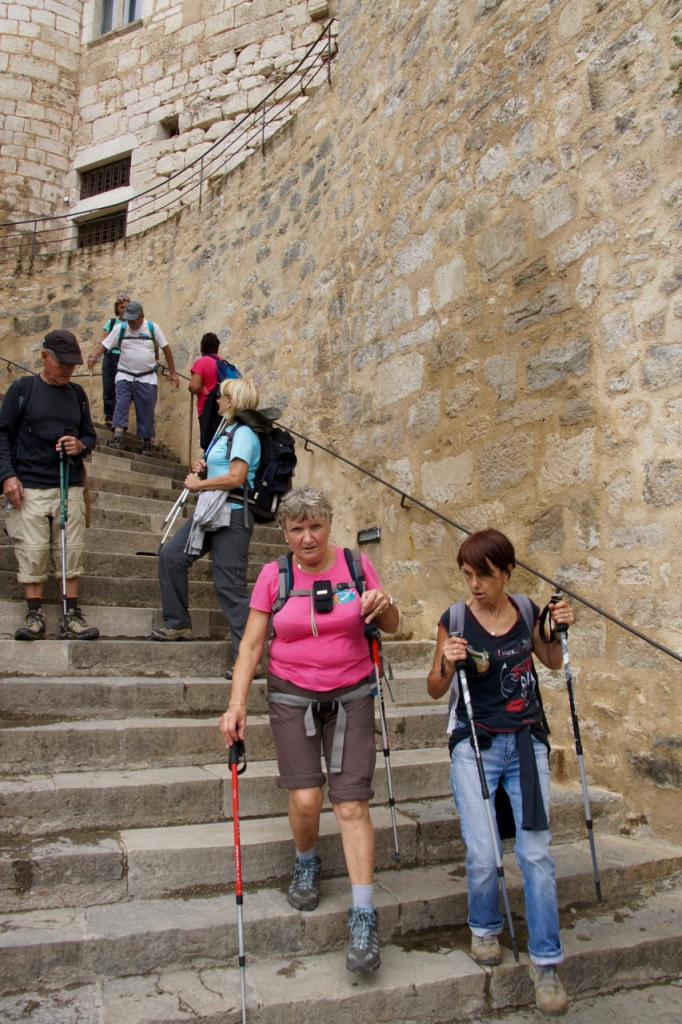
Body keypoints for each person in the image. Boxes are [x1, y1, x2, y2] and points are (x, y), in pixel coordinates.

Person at [219, 488, 400, 976]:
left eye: (315, 526)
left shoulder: (357, 567)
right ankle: (306, 859)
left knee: (351, 803)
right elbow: (252, 645)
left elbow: (394, 625)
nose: (307, 537)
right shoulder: (272, 577)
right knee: (304, 801)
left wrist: (382, 605)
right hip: (292, 695)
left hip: (352, 695)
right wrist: (237, 705)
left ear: (329, 524)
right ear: (284, 533)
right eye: (296, 529)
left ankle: (364, 915)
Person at [427, 529, 574, 1016]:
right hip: (476, 745)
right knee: (485, 850)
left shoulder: (526, 610)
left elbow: (550, 662)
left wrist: (558, 629)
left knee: (536, 854)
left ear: (507, 572)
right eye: (467, 575)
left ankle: (546, 963)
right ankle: (485, 926)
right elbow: (433, 688)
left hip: (526, 742)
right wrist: (446, 665)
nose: (474, 585)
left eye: (483, 575)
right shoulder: (454, 620)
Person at [152, 378, 261, 664]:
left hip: (234, 513)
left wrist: (199, 485)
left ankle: (247, 661)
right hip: (212, 510)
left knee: (230, 586)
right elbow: (224, 469)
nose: (217, 400)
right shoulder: (225, 431)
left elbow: (237, 477)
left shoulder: (245, 434)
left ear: (233, 401)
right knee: (171, 556)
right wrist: (204, 469)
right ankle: (177, 623)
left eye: (222, 396)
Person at [0, 330, 100, 641]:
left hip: (68, 484)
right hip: (29, 486)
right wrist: (7, 476)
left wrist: (79, 446)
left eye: (73, 365)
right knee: (32, 551)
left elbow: (90, 436)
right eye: (63, 364)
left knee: (71, 551)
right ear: (45, 358)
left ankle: (71, 615)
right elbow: (2, 434)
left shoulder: (77, 395)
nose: (69, 371)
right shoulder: (22, 390)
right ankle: (34, 615)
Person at [87, 300, 179, 454]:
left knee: (146, 409)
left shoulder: (152, 328)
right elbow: (105, 344)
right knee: (121, 405)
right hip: (125, 374)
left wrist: (173, 372)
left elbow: (166, 349)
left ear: (142, 316)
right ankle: (117, 437)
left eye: (133, 319)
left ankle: (146, 442)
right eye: (128, 318)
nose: (130, 322)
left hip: (147, 377)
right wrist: (94, 356)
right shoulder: (120, 328)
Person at [188, 332, 241, 451]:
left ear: (202, 348)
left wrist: (194, 387)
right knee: (222, 443)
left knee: (209, 443)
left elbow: (194, 387)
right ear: (217, 348)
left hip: (208, 409)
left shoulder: (202, 362)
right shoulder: (224, 362)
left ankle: (208, 465)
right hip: (226, 408)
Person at [99, 292, 129, 427]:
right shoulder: (111, 323)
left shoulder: (132, 325)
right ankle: (110, 417)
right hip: (110, 356)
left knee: (122, 389)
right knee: (109, 386)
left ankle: (119, 419)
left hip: (125, 357)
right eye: (122, 307)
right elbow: (103, 340)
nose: (124, 310)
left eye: (127, 307)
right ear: (117, 309)